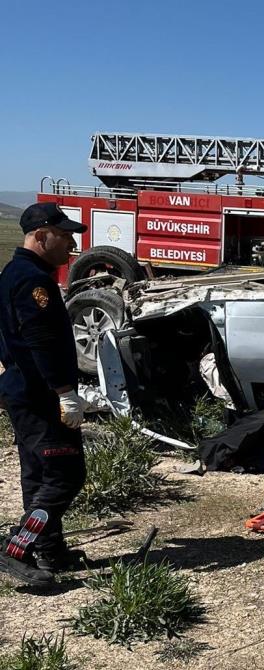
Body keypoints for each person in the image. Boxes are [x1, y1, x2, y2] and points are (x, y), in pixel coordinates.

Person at [0, 203, 89, 586]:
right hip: (41, 395)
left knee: (39, 473)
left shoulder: (12, 274)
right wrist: (66, 393)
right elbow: (42, 342)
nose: (71, 244)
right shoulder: (34, 282)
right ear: (41, 235)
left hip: (22, 390)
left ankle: (49, 549)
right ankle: (16, 549)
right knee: (65, 475)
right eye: (65, 235)